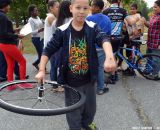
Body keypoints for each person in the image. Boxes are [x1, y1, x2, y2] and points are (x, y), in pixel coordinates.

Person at [35, 0, 116, 129]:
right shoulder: (62, 30)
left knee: (90, 110)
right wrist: (41, 70)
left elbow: (104, 38)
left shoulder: (92, 27)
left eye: (85, 8)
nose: (82, 11)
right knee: (73, 114)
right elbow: (48, 49)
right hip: (71, 82)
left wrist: (110, 57)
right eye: (78, 7)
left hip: (89, 80)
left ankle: (88, 124)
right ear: (71, 8)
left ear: (89, 9)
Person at [103, 0, 140, 84]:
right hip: (118, 38)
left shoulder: (105, 11)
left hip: (108, 37)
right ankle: (114, 73)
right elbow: (131, 22)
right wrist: (137, 17)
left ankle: (113, 76)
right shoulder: (123, 11)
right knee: (114, 55)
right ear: (118, 1)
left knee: (111, 57)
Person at [0, 0, 32, 90]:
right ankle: (23, 83)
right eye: (8, 5)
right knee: (22, 61)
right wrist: (17, 35)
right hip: (8, 44)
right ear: (4, 5)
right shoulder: (2, 16)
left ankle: (10, 85)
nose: (9, 7)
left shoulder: (1, 15)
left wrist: (14, 30)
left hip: (3, 44)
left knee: (10, 64)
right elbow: (3, 33)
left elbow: (4, 31)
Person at [86, 0, 111, 95]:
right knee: (100, 68)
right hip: (102, 47)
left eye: (92, 6)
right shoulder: (107, 19)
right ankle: (100, 88)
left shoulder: (89, 19)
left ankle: (88, 88)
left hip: (90, 47)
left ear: (97, 7)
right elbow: (108, 34)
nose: (90, 8)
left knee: (88, 67)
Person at [145, 0, 160, 74]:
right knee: (148, 57)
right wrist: (145, 22)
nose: (153, 9)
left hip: (156, 43)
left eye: (155, 7)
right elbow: (150, 26)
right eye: (153, 7)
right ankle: (147, 71)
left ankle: (154, 74)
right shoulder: (153, 15)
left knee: (156, 60)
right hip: (150, 42)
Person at [28, 4, 44, 71]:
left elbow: (40, 24)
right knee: (43, 53)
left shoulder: (38, 17)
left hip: (41, 37)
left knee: (41, 54)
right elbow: (31, 32)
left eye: (37, 10)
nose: (37, 11)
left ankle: (36, 63)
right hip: (35, 39)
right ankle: (42, 68)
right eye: (35, 10)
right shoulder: (30, 20)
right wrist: (39, 30)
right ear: (31, 12)